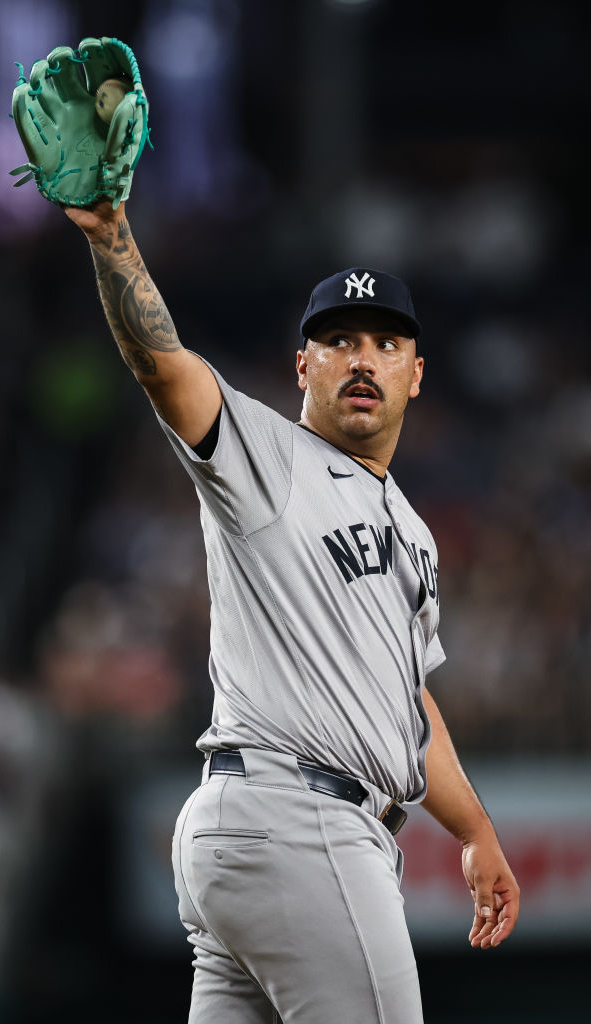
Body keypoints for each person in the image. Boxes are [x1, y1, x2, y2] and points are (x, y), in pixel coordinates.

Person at [66, 199, 520, 1024]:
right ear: (302, 365)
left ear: (416, 374)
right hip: (300, 821)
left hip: (252, 833)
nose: (362, 359)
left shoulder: (412, 528)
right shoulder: (268, 457)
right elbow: (163, 366)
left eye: (385, 343)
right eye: (339, 340)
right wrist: (112, 240)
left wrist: (473, 832)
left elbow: (408, 704)